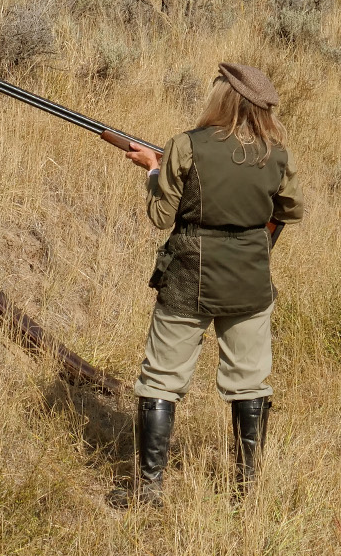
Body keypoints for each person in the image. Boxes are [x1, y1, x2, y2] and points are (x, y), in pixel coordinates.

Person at [121, 63, 304, 505]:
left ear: (222, 99)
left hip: (187, 275)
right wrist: (259, 244)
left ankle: (149, 490)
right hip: (250, 280)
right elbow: (290, 211)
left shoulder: (186, 145)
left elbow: (160, 217)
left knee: (161, 381)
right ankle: (246, 491)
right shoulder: (276, 153)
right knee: (250, 384)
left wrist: (153, 170)